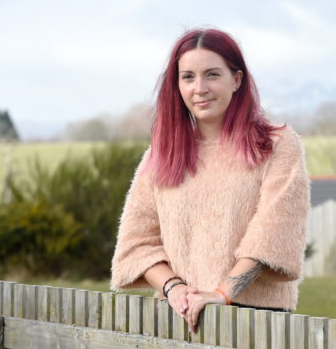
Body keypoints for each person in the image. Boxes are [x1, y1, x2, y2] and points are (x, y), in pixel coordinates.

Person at [110, 28, 310, 333]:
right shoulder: (162, 154)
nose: (199, 88)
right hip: (178, 320)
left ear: (236, 80)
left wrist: (221, 294)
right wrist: (174, 288)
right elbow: (137, 244)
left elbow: (273, 234)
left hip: (257, 322)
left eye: (212, 74)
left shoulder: (276, 145)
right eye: (188, 77)